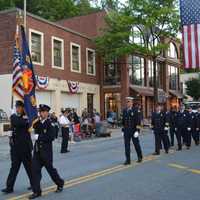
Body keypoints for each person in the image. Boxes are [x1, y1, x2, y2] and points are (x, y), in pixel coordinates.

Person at [29, 104, 64, 199]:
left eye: (44, 112)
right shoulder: (37, 122)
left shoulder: (50, 123)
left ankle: (60, 183)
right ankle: (36, 191)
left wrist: (39, 137)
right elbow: (31, 127)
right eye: (41, 111)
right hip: (37, 152)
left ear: (47, 113)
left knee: (51, 171)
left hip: (46, 153)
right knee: (35, 171)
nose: (42, 113)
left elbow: (51, 137)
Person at [2, 101, 33, 194]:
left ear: (23, 108)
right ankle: (9, 187)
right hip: (15, 148)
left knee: (29, 167)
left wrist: (12, 116)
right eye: (16, 107)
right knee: (14, 168)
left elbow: (19, 123)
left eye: (19, 107)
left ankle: (34, 184)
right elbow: (12, 127)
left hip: (24, 148)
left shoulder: (27, 117)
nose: (17, 109)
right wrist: (10, 135)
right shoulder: (15, 118)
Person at [122, 97, 143, 165]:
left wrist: (137, 130)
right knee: (127, 146)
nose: (128, 103)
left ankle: (140, 157)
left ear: (132, 102)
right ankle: (128, 160)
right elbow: (123, 121)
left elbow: (138, 121)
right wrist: (123, 130)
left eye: (129, 102)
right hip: (126, 131)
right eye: (127, 102)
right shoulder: (125, 110)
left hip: (134, 131)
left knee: (136, 144)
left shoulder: (135, 110)